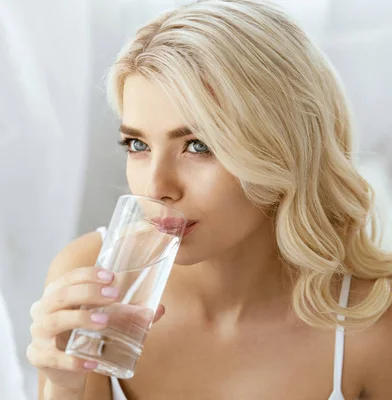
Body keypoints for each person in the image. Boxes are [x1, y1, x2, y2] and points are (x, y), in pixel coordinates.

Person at [27, 1, 392, 398]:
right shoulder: (94, 275)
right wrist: (63, 388)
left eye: (198, 145)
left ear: (283, 148)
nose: (156, 186)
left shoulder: (372, 327)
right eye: (137, 144)